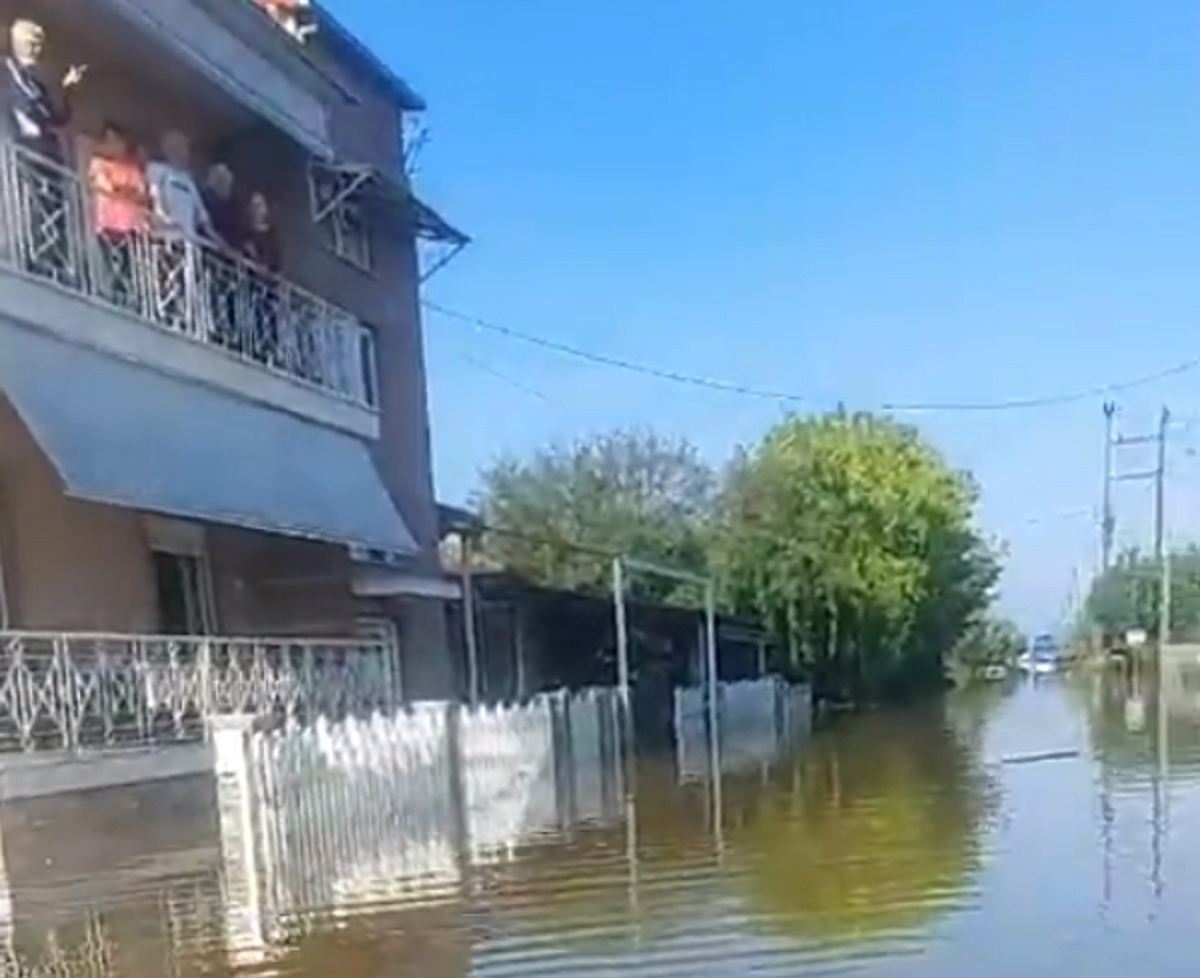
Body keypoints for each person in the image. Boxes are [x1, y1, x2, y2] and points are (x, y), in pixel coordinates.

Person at [0, 20, 86, 280]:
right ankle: (17, 253)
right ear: (15, 40)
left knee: (45, 209)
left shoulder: (37, 85)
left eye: (39, 42)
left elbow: (56, 117)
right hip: (15, 150)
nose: (35, 47)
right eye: (30, 40)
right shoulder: (4, 70)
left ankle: (46, 260)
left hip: (43, 154)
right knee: (21, 205)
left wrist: (68, 89)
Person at [145, 130, 218, 331]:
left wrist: (221, 245)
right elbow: (154, 197)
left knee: (190, 289)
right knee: (169, 285)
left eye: (185, 149)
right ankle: (166, 320)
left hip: (190, 244)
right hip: (167, 240)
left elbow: (203, 219)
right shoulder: (157, 170)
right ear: (166, 149)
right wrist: (164, 220)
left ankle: (190, 325)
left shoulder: (188, 180)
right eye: (177, 147)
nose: (182, 153)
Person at [88, 121, 149, 311]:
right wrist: (127, 192)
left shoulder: (132, 169)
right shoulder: (99, 164)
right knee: (111, 266)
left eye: (117, 140)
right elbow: (107, 189)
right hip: (108, 224)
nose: (114, 144)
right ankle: (112, 300)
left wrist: (124, 191)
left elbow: (143, 196)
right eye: (109, 140)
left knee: (128, 269)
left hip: (130, 228)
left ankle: (129, 302)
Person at [242, 191, 282, 364]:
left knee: (269, 319)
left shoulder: (272, 234)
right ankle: (255, 350)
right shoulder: (246, 233)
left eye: (260, 205)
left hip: (269, 286)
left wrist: (271, 272)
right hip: (251, 284)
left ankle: (270, 353)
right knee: (254, 315)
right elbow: (244, 254)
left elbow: (277, 260)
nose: (257, 210)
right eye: (254, 206)